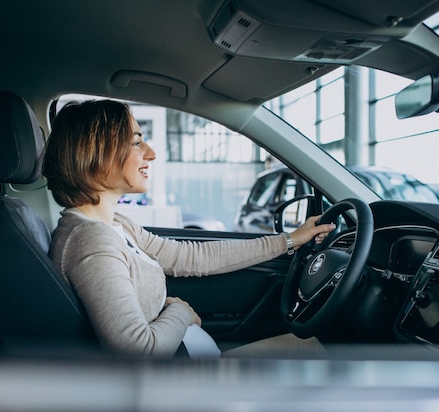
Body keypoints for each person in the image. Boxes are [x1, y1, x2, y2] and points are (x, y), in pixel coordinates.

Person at [42, 100, 336, 357]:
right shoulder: (91, 241)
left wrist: (290, 240)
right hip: (180, 386)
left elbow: (189, 256)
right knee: (321, 355)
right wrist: (180, 311)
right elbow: (138, 351)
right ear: (96, 153)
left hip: (190, 359)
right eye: (136, 142)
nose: (151, 153)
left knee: (311, 347)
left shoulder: (115, 225)